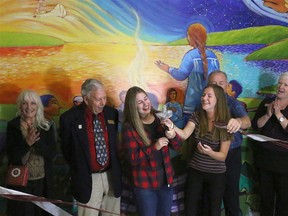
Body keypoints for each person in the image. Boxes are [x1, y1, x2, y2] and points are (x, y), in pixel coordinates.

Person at [164, 84, 233, 215]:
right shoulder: (197, 116)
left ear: (218, 99)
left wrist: (209, 152)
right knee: (190, 208)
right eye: (203, 95)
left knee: (213, 210)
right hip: (196, 171)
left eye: (209, 96)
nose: (204, 98)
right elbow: (184, 134)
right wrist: (171, 125)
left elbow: (223, 156)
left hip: (216, 175)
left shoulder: (225, 122)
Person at [59, 79, 122, 216]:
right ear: (86, 99)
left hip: (111, 175)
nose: (102, 103)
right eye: (98, 99)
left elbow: (114, 143)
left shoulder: (112, 114)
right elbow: (67, 151)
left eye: (104, 98)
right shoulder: (68, 119)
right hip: (87, 178)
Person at [121, 86, 182, 216]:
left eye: (145, 99)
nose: (145, 104)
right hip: (145, 186)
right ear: (133, 107)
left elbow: (177, 146)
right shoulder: (129, 128)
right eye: (139, 102)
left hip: (166, 183)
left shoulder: (161, 117)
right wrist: (155, 147)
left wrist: (172, 135)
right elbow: (133, 159)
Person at [155, 23, 220, 122]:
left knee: (189, 134)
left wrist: (167, 68)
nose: (187, 37)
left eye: (188, 35)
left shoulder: (190, 56)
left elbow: (181, 75)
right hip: (210, 106)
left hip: (192, 105)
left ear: (193, 38)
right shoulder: (213, 56)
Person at [6, 90, 56, 216]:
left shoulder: (46, 126)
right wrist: (27, 143)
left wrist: (35, 142)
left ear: (38, 106)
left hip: (42, 182)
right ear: (19, 106)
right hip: (21, 184)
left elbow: (52, 154)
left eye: (33, 103)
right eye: (24, 103)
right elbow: (12, 156)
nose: (29, 107)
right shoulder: (13, 126)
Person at [208, 70, 251, 216]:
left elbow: (247, 122)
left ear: (227, 85)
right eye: (214, 83)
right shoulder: (203, 102)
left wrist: (238, 121)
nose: (218, 86)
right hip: (209, 155)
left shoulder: (233, 103)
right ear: (208, 85)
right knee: (209, 195)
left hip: (231, 154)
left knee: (231, 194)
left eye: (221, 83)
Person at [251, 72, 288, 216]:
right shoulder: (267, 101)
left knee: (283, 203)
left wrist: (278, 114)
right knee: (265, 201)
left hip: (284, 165)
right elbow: (256, 125)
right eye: (280, 83)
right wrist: (268, 114)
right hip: (265, 161)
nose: (281, 87)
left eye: (286, 85)